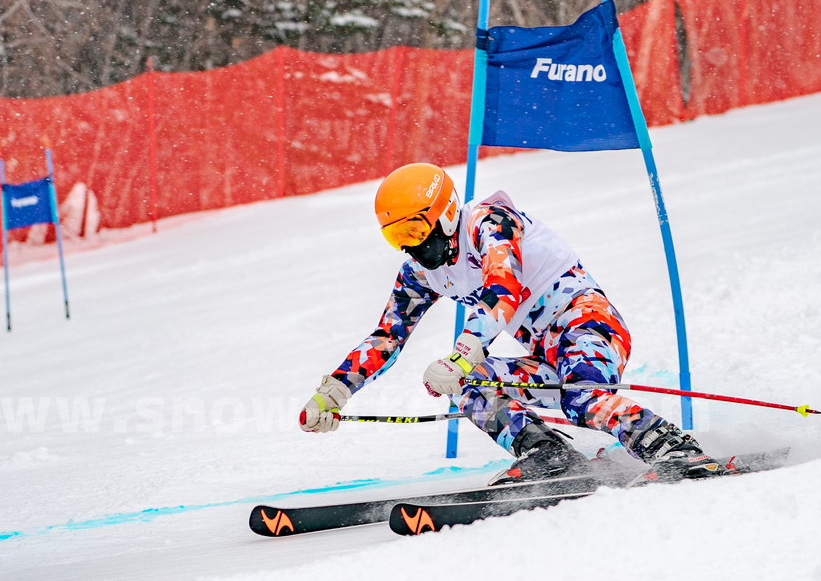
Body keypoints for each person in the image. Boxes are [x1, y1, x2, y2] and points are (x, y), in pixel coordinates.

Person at [298, 162, 731, 483]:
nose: (410, 248)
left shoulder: (490, 222)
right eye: (396, 238)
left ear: (445, 212)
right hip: (543, 354)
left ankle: (674, 448)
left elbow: (503, 288)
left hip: (589, 326)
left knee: (581, 398)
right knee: (474, 386)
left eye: (413, 230)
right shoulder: (421, 272)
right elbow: (387, 334)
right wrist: (334, 390)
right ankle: (546, 455)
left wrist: (462, 354)